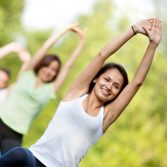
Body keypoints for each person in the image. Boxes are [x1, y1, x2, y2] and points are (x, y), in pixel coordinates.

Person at [0, 18, 162, 167]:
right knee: (20, 155)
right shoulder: (75, 94)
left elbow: (136, 83)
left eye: (116, 86)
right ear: (95, 79)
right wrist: (133, 30)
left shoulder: (105, 116)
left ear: (118, 93)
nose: (109, 86)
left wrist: (152, 45)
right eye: (106, 80)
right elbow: (102, 55)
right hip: (34, 159)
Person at [0, 24, 85, 154]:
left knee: (15, 159)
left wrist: (81, 42)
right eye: (48, 66)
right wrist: (64, 30)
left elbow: (68, 66)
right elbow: (44, 47)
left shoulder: (50, 89)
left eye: (54, 70)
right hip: (1, 118)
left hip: (15, 134)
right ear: (41, 65)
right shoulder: (27, 73)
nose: (49, 71)